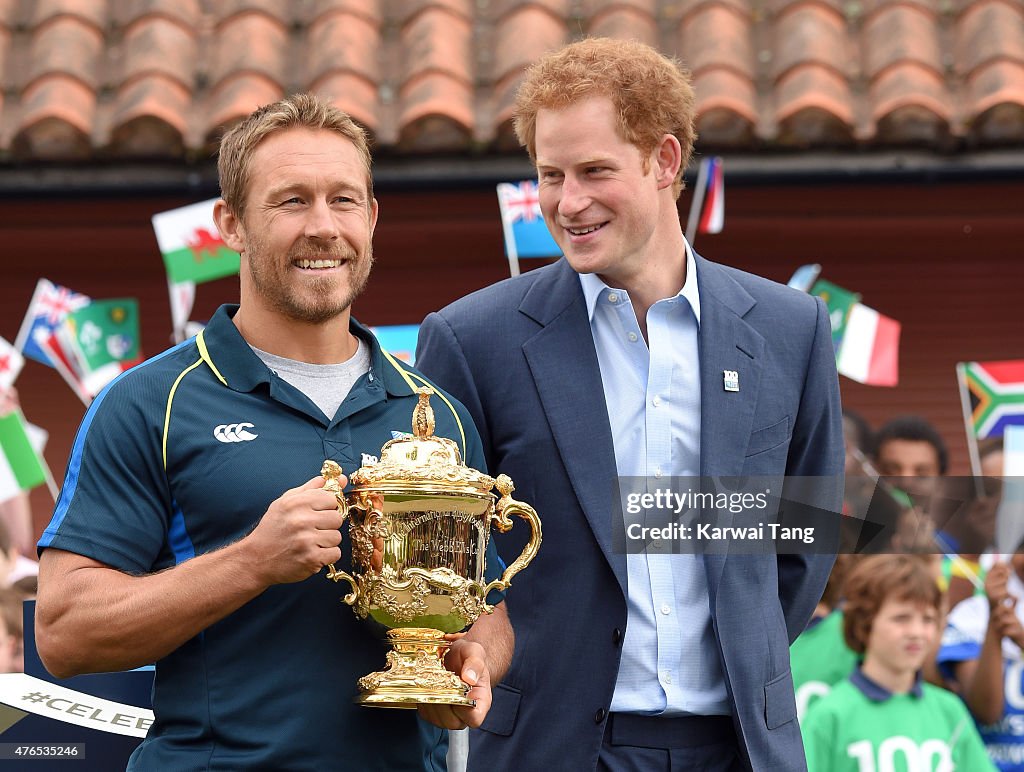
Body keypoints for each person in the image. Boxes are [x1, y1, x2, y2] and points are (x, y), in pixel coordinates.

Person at [34, 94, 511, 771]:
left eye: (343, 200)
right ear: (231, 224)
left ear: (372, 219)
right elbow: (63, 631)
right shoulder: (150, 403)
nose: (323, 227)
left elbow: (483, 607)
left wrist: (471, 660)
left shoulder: (437, 412)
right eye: (291, 202)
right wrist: (252, 561)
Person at [416, 37, 843, 771]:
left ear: (666, 162)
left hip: (742, 747)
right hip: (551, 746)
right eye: (550, 175)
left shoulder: (789, 327)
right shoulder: (470, 338)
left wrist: (747, 641)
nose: (567, 202)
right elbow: (444, 553)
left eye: (594, 172)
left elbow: (804, 537)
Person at [801, 554, 994, 771]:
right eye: (901, 618)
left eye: (928, 619)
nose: (916, 632)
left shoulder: (950, 711)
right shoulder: (829, 715)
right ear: (864, 624)